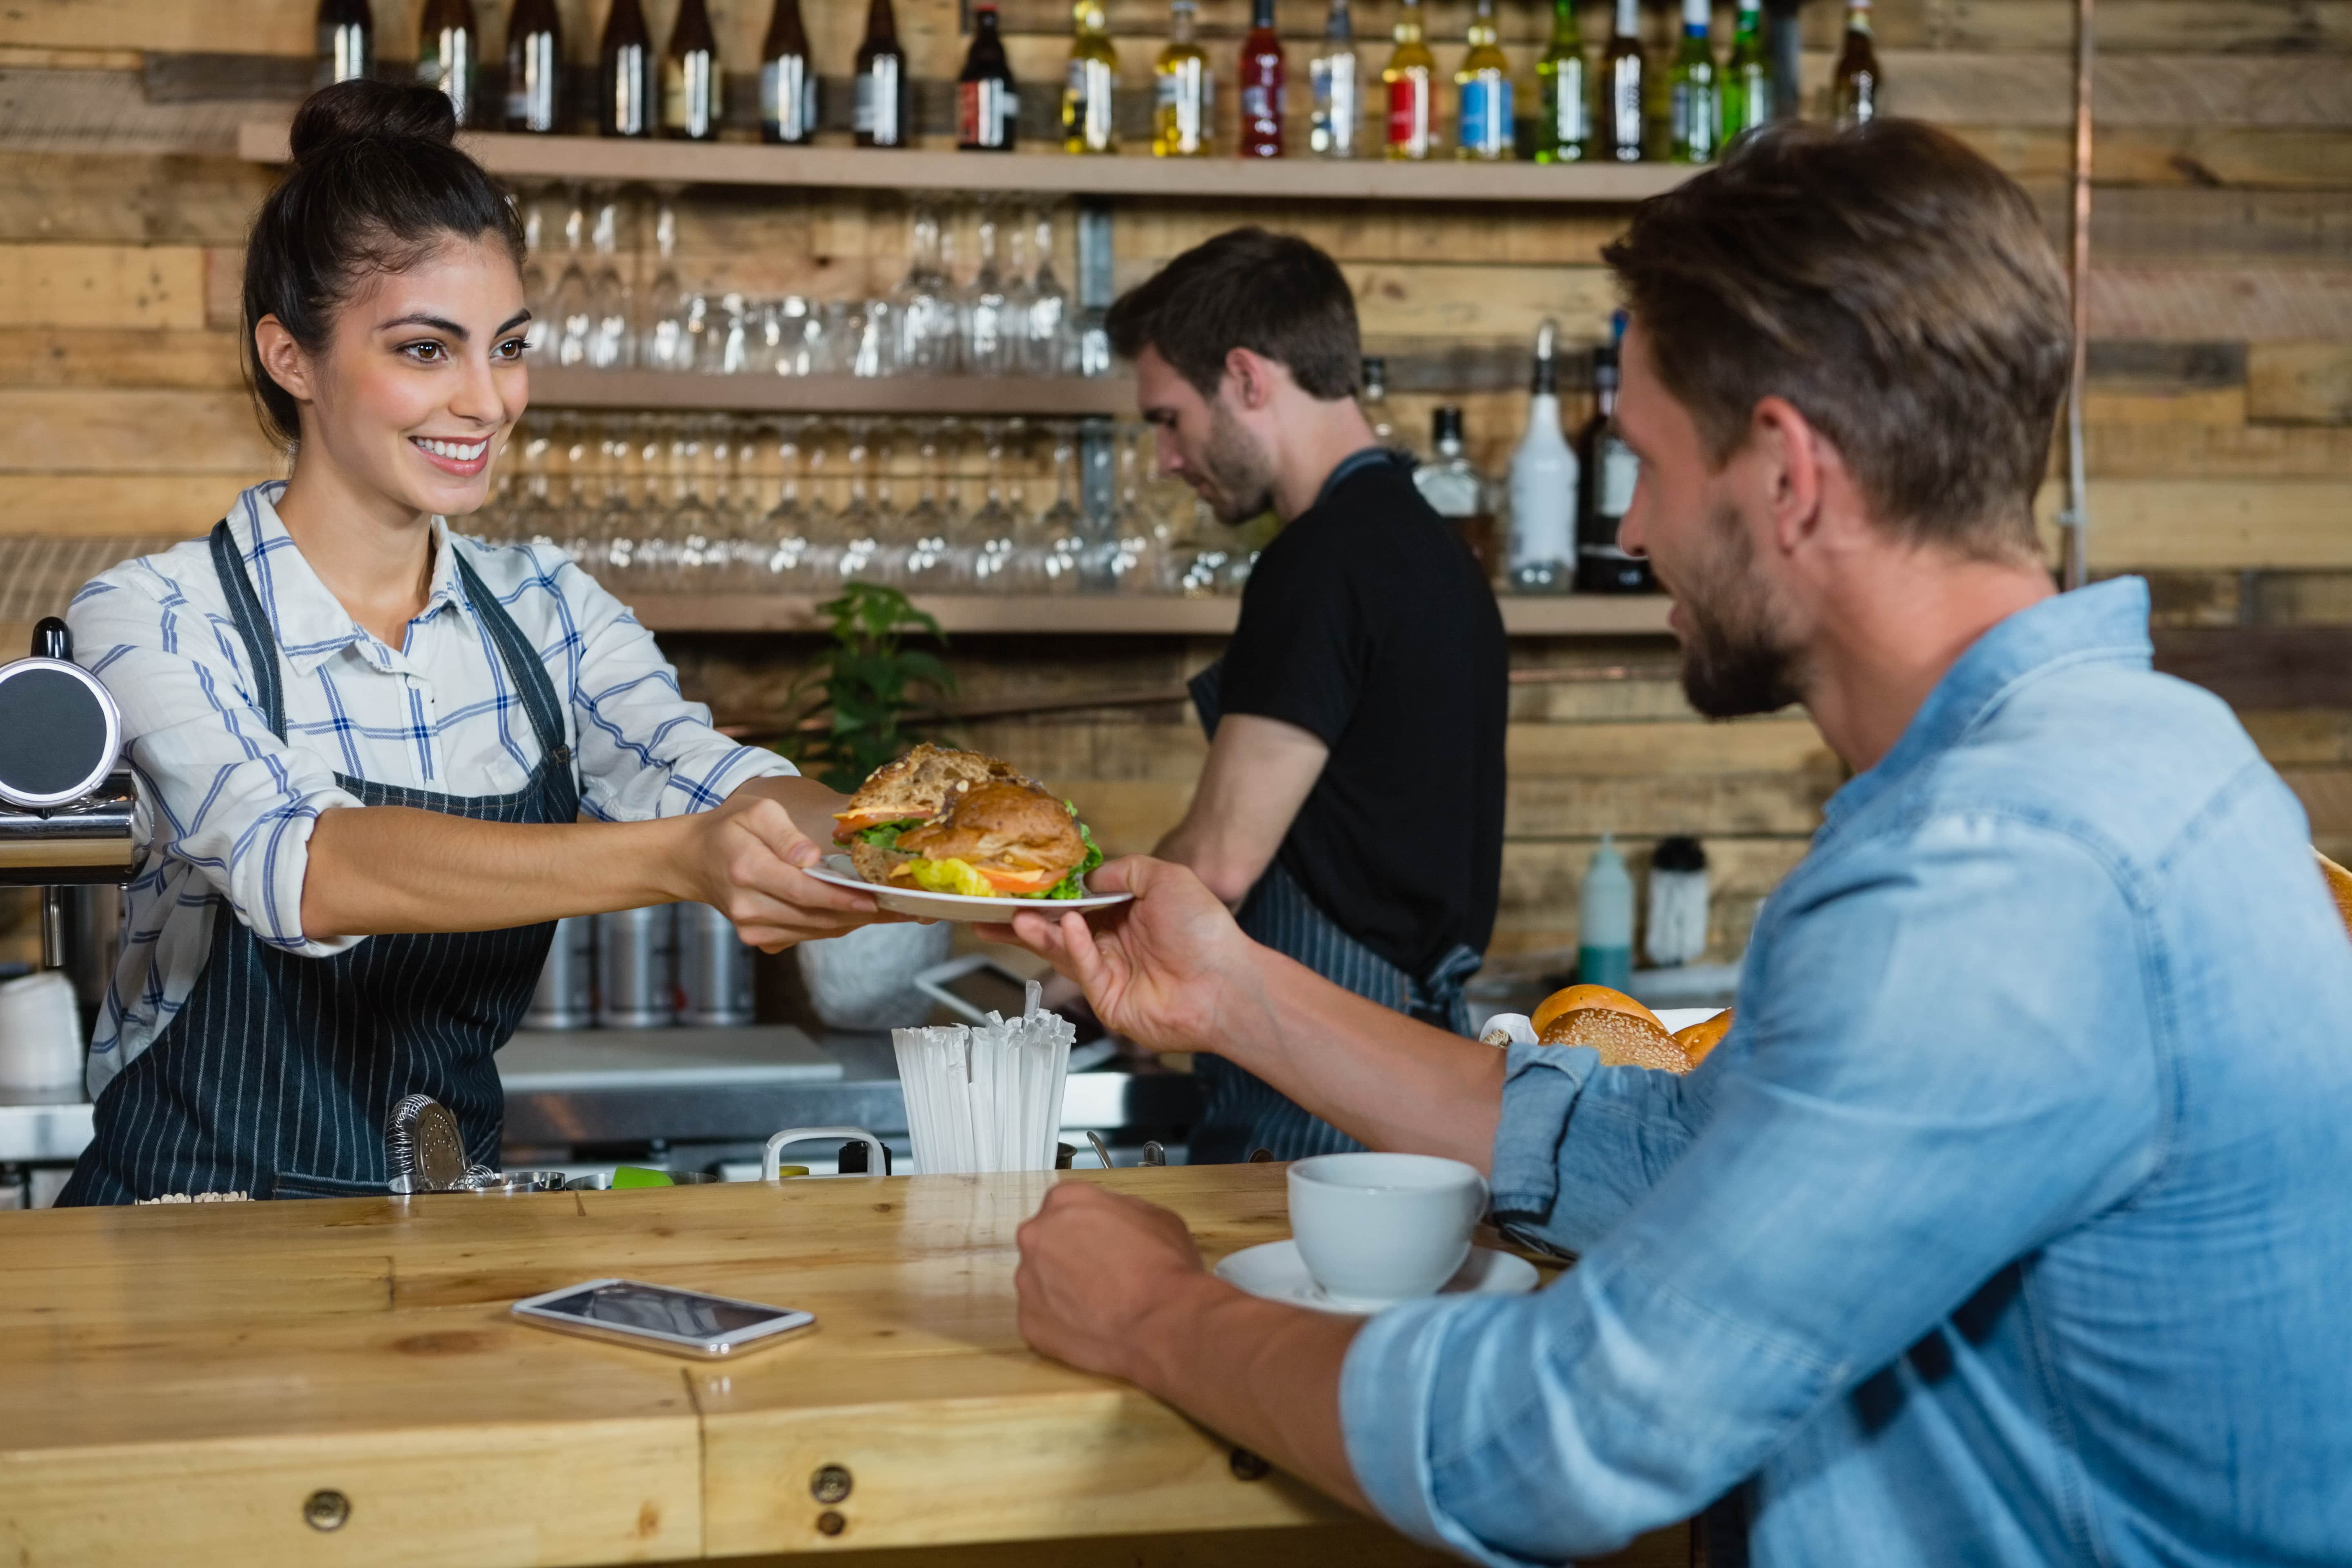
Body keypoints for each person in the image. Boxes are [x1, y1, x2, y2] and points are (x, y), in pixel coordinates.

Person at [993, 120, 2352, 1565]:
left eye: (1644, 460)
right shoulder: (2132, 763)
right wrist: (1229, 993)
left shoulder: (1999, 875)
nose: (1630, 527)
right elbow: (1660, 1159)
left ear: (1788, 472)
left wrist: (1155, 1316)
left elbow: (1568, 1437)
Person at [58, 82, 886, 1205]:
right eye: (426, 350)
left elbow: (723, 783)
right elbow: (307, 867)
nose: (489, 402)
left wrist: (987, 875)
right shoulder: (156, 616)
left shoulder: (549, 610)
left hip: (438, 1241)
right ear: (291, 357)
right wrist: (683, 858)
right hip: (190, 1235)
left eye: (509, 347)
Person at [1105, 227, 1508, 1162]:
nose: (1165, 458)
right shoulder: (1434, 549)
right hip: (1406, 1059)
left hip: (1316, 1091)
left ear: (1247, 378)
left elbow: (1219, 860)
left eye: (1169, 419)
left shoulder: (1322, 561)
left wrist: (1083, 939)